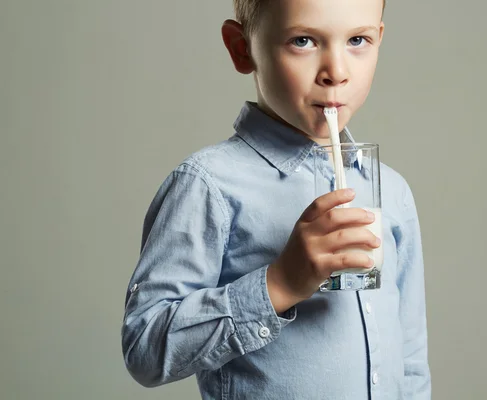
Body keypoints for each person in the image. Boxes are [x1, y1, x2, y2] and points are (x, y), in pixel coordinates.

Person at [121, 0, 431, 398]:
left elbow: (410, 359)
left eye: (358, 40)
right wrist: (279, 284)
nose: (336, 72)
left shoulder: (391, 191)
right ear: (241, 47)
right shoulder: (210, 185)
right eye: (302, 40)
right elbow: (144, 348)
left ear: (379, 40)